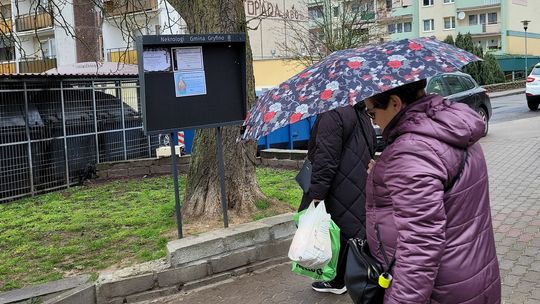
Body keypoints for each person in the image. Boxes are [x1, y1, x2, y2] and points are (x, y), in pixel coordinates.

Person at [364, 79, 501, 303]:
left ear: (395, 103)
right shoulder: (452, 128)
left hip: (442, 290)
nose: (375, 122)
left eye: (372, 113)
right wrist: (387, 172)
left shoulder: (410, 152)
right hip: (477, 273)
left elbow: (420, 246)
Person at [298, 104, 375, 295]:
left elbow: (325, 159)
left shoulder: (332, 114)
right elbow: (372, 144)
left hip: (338, 186)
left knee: (336, 234)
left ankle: (339, 280)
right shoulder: (361, 112)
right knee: (352, 231)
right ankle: (350, 277)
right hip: (357, 181)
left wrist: (316, 195)